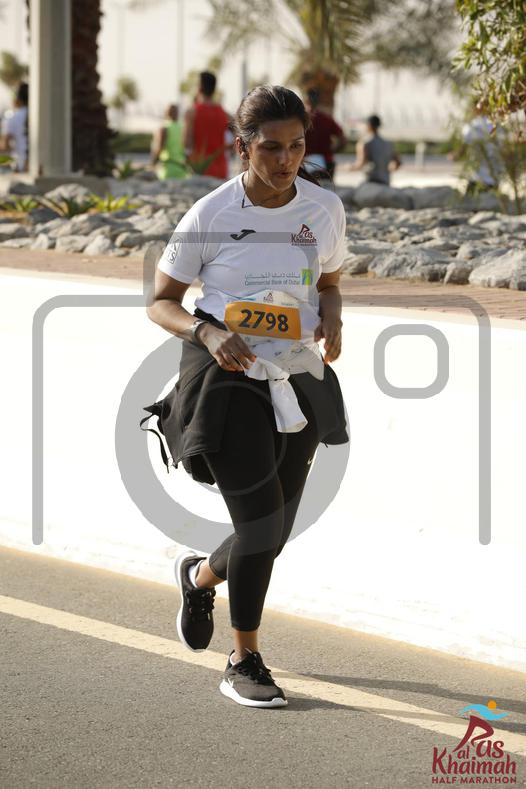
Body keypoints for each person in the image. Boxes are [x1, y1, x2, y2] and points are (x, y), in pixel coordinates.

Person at [144, 84, 349, 709]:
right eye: (271, 148)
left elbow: (330, 281)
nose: (286, 161)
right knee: (260, 523)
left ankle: (200, 575)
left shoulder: (323, 209)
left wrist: (333, 315)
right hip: (226, 373)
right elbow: (161, 302)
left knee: (274, 530)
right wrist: (207, 332)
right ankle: (244, 660)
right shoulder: (210, 214)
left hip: (297, 374)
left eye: (296, 147)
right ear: (243, 148)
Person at [183, 71, 231, 179]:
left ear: (199, 87)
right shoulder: (224, 113)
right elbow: (239, 134)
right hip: (221, 169)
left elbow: (186, 143)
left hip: (201, 169)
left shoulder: (192, 112)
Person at [304, 88, 346, 181]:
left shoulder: (301, 120)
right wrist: (332, 151)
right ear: (319, 101)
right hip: (326, 162)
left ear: (306, 100)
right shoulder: (327, 119)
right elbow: (343, 140)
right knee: (327, 189)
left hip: (304, 162)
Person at [350, 114, 400, 186]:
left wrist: (349, 167)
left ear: (369, 125)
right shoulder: (389, 144)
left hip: (371, 181)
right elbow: (398, 163)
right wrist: (386, 170)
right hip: (385, 181)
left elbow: (360, 164)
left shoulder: (365, 143)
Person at [151, 103, 187, 180]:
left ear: (166, 113)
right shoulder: (183, 128)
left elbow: (159, 148)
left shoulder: (164, 128)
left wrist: (153, 163)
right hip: (181, 169)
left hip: (167, 169)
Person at [1, 82, 29, 172]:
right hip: (38, 165)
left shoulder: (12, 118)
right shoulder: (40, 115)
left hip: (21, 166)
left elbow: (5, 146)